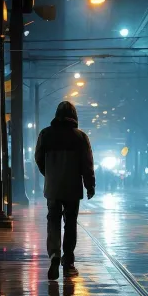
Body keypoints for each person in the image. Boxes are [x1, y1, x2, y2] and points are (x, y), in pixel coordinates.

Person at [35, 100, 95, 280]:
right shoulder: (80, 137)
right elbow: (87, 164)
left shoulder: (45, 134)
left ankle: (54, 254)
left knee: (53, 220)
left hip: (53, 187)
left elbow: (38, 158)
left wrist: (50, 174)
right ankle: (68, 262)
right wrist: (89, 185)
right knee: (70, 222)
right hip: (72, 188)